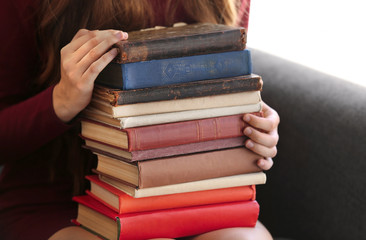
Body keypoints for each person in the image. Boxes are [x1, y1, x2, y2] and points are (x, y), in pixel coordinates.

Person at [0, 0, 279, 239]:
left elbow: (216, 80)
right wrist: (60, 101)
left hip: (190, 194)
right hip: (57, 200)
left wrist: (252, 119)